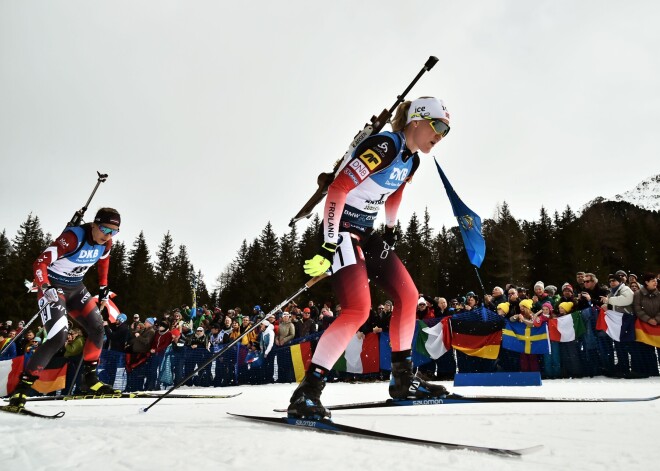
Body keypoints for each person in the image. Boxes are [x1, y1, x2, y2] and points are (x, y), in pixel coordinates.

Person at [288, 96, 451, 419]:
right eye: (438, 127)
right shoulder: (385, 146)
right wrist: (328, 245)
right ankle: (307, 392)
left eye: (447, 131)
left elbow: (397, 190)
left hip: (367, 231)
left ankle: (403, 378)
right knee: (357, 310)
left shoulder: (412, 160)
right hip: (342, 228)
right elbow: (337, 189)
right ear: (416, 121)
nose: (441, 135)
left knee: (408, 295)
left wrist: (390, 227)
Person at [8, 208, 121, 411]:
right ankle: (22, 389)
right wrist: (45, 286)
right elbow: (39, 263)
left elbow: (104, 262)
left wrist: (104, 287)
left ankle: (90, 381)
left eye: (114, 231)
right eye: (105, 229)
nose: (108, 235)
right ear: (94, 225)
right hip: (53, 287)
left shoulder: (107, 243)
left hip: (76, 288)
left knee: (97, 328)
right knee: (58, 337)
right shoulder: (72, 238)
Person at [632, 272, 660, 376]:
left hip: (658, 325)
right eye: (653, 281)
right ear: (646, 282)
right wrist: (648, 319)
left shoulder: (659, 294)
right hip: (644, 326)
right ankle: (652, 371)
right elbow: (637, 308)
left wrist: (656, 319)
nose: (655, 283)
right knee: (648, 350)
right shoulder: (638, 294)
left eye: (656, 281)